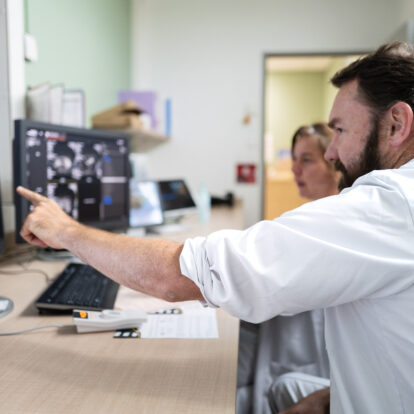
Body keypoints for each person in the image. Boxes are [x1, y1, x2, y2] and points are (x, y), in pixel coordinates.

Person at [17, 42, 414, 413]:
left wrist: (66, 230)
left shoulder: (390, 205)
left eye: (340, 130)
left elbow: (182, 276)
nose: (331, 152)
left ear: (396, 125)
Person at [237, 123, 339, 414]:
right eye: (294, 159)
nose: (295, 169)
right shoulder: (310, 218)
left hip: (305, 350)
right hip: (283, 332)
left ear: (334, 162)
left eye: (306, 160)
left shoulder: (335, 224)